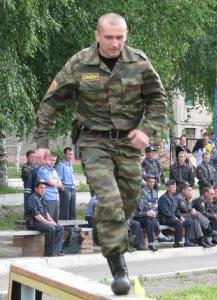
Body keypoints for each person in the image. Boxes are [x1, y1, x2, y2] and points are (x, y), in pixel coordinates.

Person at [34, 13, 167, 295]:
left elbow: (158, 101)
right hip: (93, 141)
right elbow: (51, 103)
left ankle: (105, 229)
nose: (114, 43)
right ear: (97, 36)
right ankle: (118, 267)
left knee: (130, 199)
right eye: (109, 37)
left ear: (126, 37)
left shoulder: (139, 63)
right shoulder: (80, 63)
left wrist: (147, 130)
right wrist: (43, 140)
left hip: (129, 144)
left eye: (120, 37)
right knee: (110, 199)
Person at [24, 181, 64, 257]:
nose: (43, 189)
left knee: (59, 228)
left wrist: (52, 221)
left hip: (41, 222)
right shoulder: (33, 198)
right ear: (36, 189)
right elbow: (37, 215)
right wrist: (48, 223)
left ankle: (56, 251)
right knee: (51, 229)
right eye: (41, 188)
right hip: (33, 223)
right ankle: (49, 253)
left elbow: (46, 213)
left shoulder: (42, 198)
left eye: (44, 188)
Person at [134, 175, 172, 251]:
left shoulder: (154, 192)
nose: (152, 184)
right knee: (149, 217)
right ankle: (159, 235)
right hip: (140, 216)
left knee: (150, 219)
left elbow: (155, 205)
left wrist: (153, 211)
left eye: (153, 182)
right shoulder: (142, 192)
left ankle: (151, 243)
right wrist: (149, 210)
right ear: (146, 182)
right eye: (150, 182)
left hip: (150, 217)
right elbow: (143, 207)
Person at [158, 180, 196, 247]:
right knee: (178, 222)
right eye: (172, 187)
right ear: (167, 188)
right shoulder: (163, 198)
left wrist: (179, 216)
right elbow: (165, 212)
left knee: (189, 222)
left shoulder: (174, 197)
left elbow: (177, 210)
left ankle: (187, 241)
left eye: (175, 187)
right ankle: (177, 242)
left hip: (173, 218)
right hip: (165, 219)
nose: (174, 188)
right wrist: (174, 217)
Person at [177, 182, 213, 247]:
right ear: (183, 190)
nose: (190, 192)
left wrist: (190, 206)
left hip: (184, 215)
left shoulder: (183, 198)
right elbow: (186, 209)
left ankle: (201, 239)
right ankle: (208, 229)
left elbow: (187, 209)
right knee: (197, 213)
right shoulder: (179, 198)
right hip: (178, 216)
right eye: (188, 190)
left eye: (191, 190)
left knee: (196, 219)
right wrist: (190, 202)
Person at [36, 152, 64, 222]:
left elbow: (60, 183)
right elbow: (51, 183)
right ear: (45, 160)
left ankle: (55, 233)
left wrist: (55, 183)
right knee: (49, 221)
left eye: (54, 160)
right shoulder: (43, 170)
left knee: (55, 221)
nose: (53, 162)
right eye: (51, 160)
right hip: (48, 198)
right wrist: (55, 183)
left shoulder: (54, 171)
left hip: (56, 198)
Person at [55, 147, 76, 220]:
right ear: (64, 154)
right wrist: (62, 188)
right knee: (65, 209)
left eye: (71, 154)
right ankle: (64, 227)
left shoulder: (70, 165)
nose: (70, 156)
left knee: (72, 209)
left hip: (72, 188)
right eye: (68, 154)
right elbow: (58, 179)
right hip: (65, 189)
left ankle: (72, 227)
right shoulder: (61, 165)